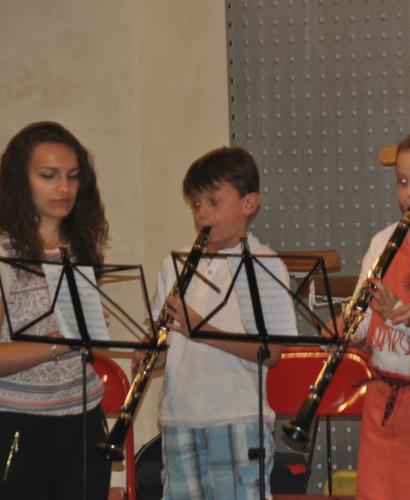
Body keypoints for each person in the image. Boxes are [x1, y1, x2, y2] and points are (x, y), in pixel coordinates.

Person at [0, 121, 111, 499]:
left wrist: (95, 331)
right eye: (48, 176)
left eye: (73, 176)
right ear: (20, 182)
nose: (64, 188)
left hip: (82, 424)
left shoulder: (79, 249)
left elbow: (88, 350)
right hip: (14, 427)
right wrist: (58, 344)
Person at [150, 146, 297, 499]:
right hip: (178, 416)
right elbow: (165, 343)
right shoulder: (176, 264)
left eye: (214, 202)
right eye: (196, 204)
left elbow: (270, 353)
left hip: (237, 417)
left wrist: (202, 330)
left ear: (249, 204)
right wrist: (151, 356)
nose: (202, 213)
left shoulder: (263, 264)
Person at [339, 130, 410, 500]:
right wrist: (341, 328)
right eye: (402, 182)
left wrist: (408, 319)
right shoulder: (384, 241)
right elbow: (362, 320)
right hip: (381, 402)